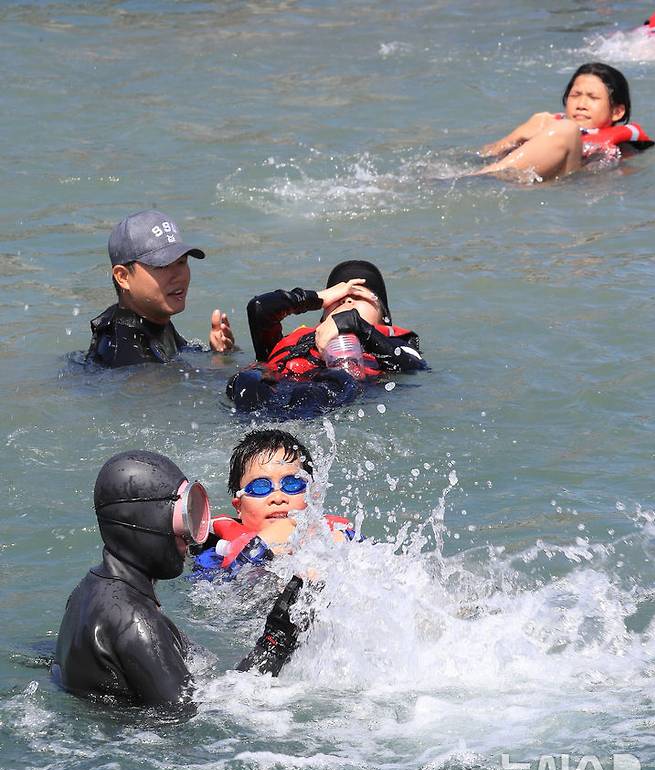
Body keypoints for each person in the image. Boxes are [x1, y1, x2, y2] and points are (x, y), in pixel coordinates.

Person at [51, 450, 212, 707]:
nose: (190, 535)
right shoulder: (136, 620)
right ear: (143, 521)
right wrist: (277, 638)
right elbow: (196, 713)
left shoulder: (88, 588)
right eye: (185, 518)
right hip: (139, 741)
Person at [226, 260, 426, 415]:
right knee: (246, 379)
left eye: (359, 296)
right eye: (338, 298)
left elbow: (415, 364)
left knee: (315, 390)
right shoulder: (302, 338)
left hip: (327, 395)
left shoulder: (392, 344)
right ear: (323, 316)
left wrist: (350, 323)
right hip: (272, 393)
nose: (347, 299)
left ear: (384, 318)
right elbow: (259, 308)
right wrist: (319, 297)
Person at [192, 429, 356, 581]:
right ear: (239, 508)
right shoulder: (213, 558)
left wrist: (340, 549)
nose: (278, 498)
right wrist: (260, 547)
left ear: (312, 496)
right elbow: (216, 597)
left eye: (292, 484)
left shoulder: (337, 535)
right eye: (260, 487)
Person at [86, 210, 234, 367]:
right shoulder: (124, 351)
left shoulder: (150, 321)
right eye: (162, 265)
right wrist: (219, 367)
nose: (179, 276)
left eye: (182, 262)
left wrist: (220, 353)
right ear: (123, 277)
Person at [477, 62, 653, 181]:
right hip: (512, 180)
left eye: (593, 98)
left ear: (617, 112)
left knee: (567, 129)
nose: (581, 104)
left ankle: (479, 180)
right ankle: (480, 179)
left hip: (562, 186)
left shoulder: (625, 149)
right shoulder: (545, 126)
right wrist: (519, 133)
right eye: (575, 95)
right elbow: (484, 155)